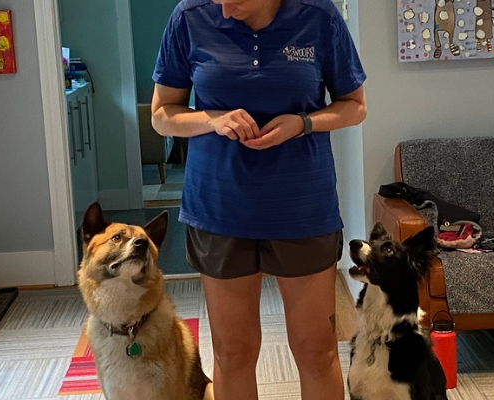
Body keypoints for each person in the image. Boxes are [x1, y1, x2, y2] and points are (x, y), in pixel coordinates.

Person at [150, 0, 367, 398]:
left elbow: (355, 107)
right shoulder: (189, 17)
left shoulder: (318, 17)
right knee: (233, 352)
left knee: (316, 350)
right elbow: (162, 114)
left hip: (303, 209)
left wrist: (304, 123)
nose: (226, 11)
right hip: (219, 210)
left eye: (237, 1)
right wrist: (212, 119)